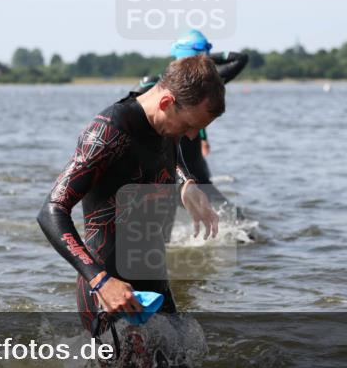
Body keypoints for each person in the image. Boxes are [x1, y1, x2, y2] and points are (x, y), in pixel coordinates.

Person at [38, 55, 223, 348]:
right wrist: (100, 281)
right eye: (189, 125)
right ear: (166, 102)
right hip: (109, 291)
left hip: (153, 281)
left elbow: (170, 149)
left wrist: (186, 182)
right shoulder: (109, 132)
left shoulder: (165, 123)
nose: (191, 136)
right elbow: (51, 211)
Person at [139, 30, 248, 207]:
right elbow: (128, 115)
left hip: (194, 164)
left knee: (233, 217)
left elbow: (240, 59)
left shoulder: (206, 84)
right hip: (166, 165)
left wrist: (203, 60)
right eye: (196, 59)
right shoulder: (154, 86)